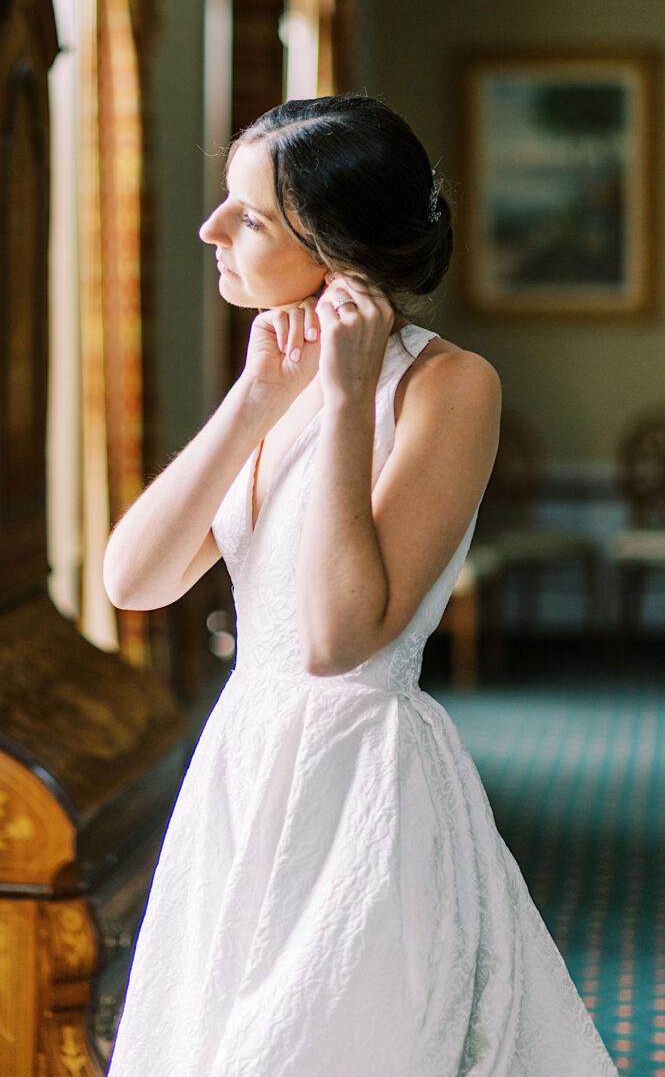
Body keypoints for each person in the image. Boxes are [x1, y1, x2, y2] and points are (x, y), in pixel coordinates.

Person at [102, 96, 617, 1076]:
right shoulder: (274, 368)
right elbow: (134, 577)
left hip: (359, 780)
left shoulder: (450, 386)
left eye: (247, 216)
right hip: (241, 762)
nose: (211, 228)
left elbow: (341, 640)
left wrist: (344, 401)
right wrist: (256, 403)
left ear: (335, 252)